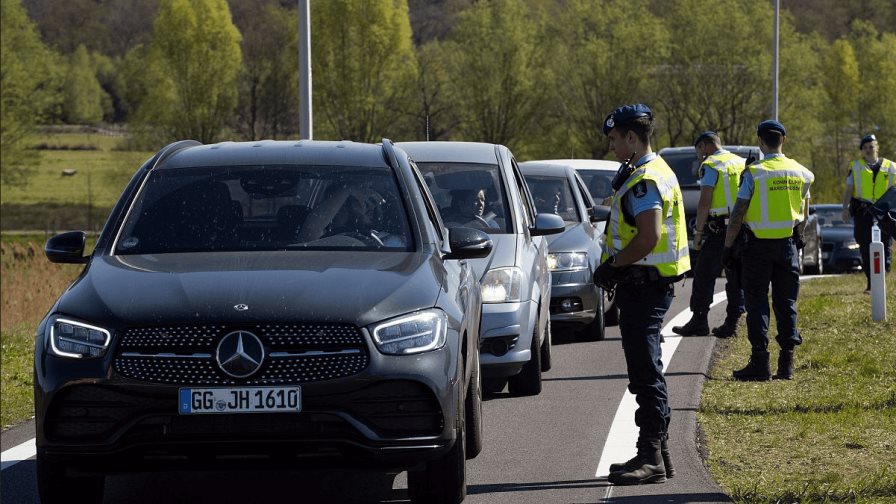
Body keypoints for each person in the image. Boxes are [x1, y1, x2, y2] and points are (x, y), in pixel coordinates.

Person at [592, 103, 690, 486]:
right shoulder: (656, 169)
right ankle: (658, 454)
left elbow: (648, 237)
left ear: (632, 137)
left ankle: (650, 456)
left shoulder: (645, 181)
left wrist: (613, 265)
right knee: (647, 368)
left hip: (643, 285)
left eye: (615, 140)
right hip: (649, 285)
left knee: (645, 372)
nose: (612, 147)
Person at [722, 120, 814, 381]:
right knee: (786, 303)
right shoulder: (801, 173)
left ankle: (760, 362)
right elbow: (803, 213)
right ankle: (787, 364)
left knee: (756, 301)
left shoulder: (754, 173)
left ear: (761, 142)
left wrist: (727, 248)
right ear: (783, 140)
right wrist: (799, 234)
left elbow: (738, 214)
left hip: (757, 248)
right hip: (787, 246)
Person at [672, 132, 746, 338]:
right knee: (735, 277)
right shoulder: (739, 162)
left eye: (698, 151)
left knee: (704, 274)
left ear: (704, 146)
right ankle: (733, 322)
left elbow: (705, 201)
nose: (698, 157)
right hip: (741, 229)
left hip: (719, 230)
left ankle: (699, 320)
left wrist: (697, 233)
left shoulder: (712, 165)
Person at [840, 134, 895, 292]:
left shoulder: (891, 167)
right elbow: (849, 190)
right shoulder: (856, 166)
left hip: (885, 212)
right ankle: (872, 283)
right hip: (863, 212)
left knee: (885, 245)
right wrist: (845, 208)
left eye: (871, 146)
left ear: (877, 147)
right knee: (865, 247)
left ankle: (883, 276)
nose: (868, 150)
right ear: (862, 151)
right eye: (865, 148)